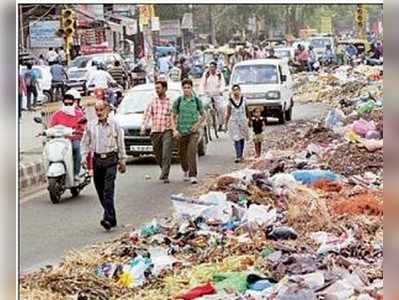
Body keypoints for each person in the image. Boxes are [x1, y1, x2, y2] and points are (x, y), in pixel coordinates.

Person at [81, 100, 127, 231]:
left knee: (108, 190)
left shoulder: (115, 125)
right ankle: (111, 217)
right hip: (97, 160)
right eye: (97, 110)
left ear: (107, 110)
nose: (99, 113)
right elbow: (85, 142)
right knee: (100, 190)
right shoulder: (91, 126)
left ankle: (108, 218)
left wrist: (122, 160)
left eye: (101, 110)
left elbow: (120, 143)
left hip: (111, 159)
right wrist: (83, 158)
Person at [172, 79, 206, 184]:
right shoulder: (178, 101)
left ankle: (193, 175)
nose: (186, 90)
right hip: (181, 131)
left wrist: (197, 125)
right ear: (182, 89)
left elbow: (204, 115)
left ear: (192, 88)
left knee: (191, 151)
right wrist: (174, 130)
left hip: (193, 132)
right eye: (185, 88)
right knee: (182, 154)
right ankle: (185, 170)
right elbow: (173, 116)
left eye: (188, 87)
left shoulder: (196, 101)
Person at [141, 81, 174, 184]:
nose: (157, 90)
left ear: (164, 89)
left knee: (166, 153)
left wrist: (175, 129)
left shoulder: (170, 102)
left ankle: (165, 174)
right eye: (156, 88)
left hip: (167, 130)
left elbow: (174, 117)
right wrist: (143, 127)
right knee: (158, 153)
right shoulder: (153, 102)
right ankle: (163, 170)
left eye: (159, 88)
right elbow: (147, 115)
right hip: (155, 131)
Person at [49, 93, 85, 182]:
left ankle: (76, 173)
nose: (68, 106)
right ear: (63, 103)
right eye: (66, 104)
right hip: (60, 140)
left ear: (74, 103)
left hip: (73, 139)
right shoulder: (57, 114)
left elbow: (83, 127)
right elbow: (51, 127)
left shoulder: (79, 114)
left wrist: (80, 131)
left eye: (70, 104)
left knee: (76, 148)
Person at [224, 84, 249, 163]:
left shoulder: (244, 100)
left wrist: (250, 120)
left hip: (243, 121)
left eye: (237, 90)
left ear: (240, 91)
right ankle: (238, 155)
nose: (236, 92)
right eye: (234, 90)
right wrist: (226, 123)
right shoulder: (230, 101)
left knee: (242, 138)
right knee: (236, 138)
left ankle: (241, 154)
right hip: (234, 122)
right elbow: (228, 113)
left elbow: (247, 110)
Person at [199, 61, 226, 131]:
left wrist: (221, 91)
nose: (212, 69)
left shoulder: (220, 75)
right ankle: (204, 123)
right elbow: (202, 84)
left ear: (216, 68)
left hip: (217, 94)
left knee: (222, 108)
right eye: (210, 67)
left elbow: (223, 84)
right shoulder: (206, 74)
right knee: (203, 105)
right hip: (207, 95)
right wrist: (202, 92)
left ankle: (220, 124)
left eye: (213, 67)